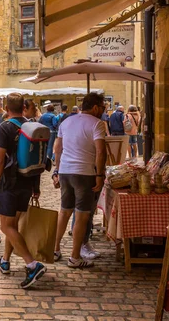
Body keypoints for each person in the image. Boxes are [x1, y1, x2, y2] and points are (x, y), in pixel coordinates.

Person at [0, 93, 47, 289]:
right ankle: (5, 260)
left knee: (5, 226)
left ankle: (32, 264)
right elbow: (39, 156)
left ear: (7, 108)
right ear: (24, 107)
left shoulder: (5, 127)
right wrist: (36, 186)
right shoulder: (32, 126)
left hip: (9, 182)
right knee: (13, 223)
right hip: (27, 180)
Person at [53, 92, 107, 268]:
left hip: (66, 171)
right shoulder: (97, 124)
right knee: (82, 215)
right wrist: (100, 174)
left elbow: (57, 148)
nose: (104, 111)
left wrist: (57, 170)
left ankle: (55, 249)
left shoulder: (66, 121)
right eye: (103, 107)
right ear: (95, 107)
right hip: (84, 172)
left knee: (64, 211)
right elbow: (100, 152)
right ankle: (75, 256)